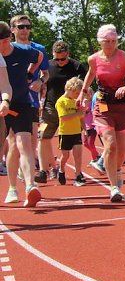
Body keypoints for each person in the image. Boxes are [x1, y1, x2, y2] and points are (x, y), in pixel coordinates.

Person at [78, 24, 125, 202]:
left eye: (113, 41)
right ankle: (114, 187)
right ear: (100, 41)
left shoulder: (124, 57)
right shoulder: (93, 59)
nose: (110, 45)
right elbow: (91, 74)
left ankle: (117, 170)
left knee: (122, 152)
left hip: (122, 105)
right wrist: (82, 92)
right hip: (103, 105)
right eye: (106, 41)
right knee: (111, 145)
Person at [2, 21, 43, 207]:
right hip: (2, 104)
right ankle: (12, 188)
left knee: (23, 143)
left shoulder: (23, 51)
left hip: (21, 103)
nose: (1, 47)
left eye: (3, 42)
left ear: (10, 38)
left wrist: (31, 73)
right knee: (11, 145)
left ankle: (30, 186)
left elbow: (40, 56)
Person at [39, 41, 88, 181]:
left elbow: (87, 86)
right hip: (50, 107)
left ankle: (76, 172)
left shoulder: (77, 66)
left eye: (63, 59)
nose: (60, 62)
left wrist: (83, 100)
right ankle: (44, 171)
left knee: (74, 146)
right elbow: (41, 85)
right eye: (57, 59)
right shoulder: (47, 65)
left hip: (71, 108)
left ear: (68, 54)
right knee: (43, 137)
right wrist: (39, 102)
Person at [10, 15, 50, 181]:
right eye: (21, 27)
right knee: (13, 141)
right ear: (13, 30)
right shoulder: (7, 48)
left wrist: (40, 82)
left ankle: (25, 171)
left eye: (27, 26)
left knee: (32, 140)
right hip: (10, 99)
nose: (25, 30)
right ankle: (15, 179)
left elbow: (46, 73)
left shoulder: (38, 49)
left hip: (31, 101)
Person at [55, 77, 87, 186]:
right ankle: (61, 169)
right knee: (65, 156)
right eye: (76, 93)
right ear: (70, 89)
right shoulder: (61, 101)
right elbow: (63, 117)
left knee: (78, 155)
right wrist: (77, 114)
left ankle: (78, 175)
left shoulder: (76, 102)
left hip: (76, 132)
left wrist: (85, 129)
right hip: (65, 133)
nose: (77, 96)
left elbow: (81, 117)